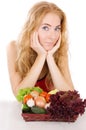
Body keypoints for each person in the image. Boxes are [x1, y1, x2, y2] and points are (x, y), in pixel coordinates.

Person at [7, 1, 74, 96]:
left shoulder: (59, 50)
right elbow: (19, 95)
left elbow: (71, 96)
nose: (52, 36)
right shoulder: (14, 47)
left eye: (57, 29)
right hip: (28, 111)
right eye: (45, 28)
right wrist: (41, 56)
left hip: (49, 110)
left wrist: (50, 58)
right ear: (32, 28)